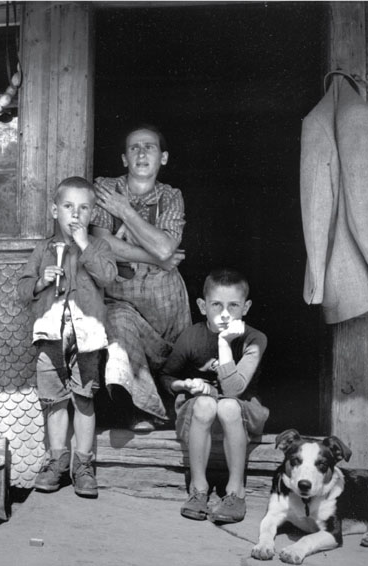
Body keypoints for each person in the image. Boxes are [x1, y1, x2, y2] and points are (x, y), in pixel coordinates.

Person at [18, 176, 117, 498]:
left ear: (92, 214)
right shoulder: (42, 249)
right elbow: (22, 289)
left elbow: (109, 277)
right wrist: (40, 282)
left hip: (87, 336)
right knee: (54, 400)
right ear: (54, 210)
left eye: (84, 208)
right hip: (50, 335)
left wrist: (85, 244)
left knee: (84, 398)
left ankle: (84, 465)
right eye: (68, 207)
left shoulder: (99, 246)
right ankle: (57, 461)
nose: (75, 214)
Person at [90, 124, 192, 431]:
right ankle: (146, 411)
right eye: (134, 147)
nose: (142, 152)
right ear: (124, 158)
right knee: (118, 321)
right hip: (123, 297)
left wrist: (124, 210)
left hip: (166, 303)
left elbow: (166, 245)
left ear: (163, 158)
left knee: (176, 369)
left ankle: (180, 415)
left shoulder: (171, 196)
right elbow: (102, 243)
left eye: (150, 147)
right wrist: (156, 257)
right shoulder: (106, 189)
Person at [160, 268, 268, 523]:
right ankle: (198, 489)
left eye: (234, 305)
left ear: (246, 307)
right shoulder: (191, 337)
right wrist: (184, 385)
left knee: (228, 405)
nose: (225, 313)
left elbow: (233, 390)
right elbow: (166, 377)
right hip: (202, 412)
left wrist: (224, 343)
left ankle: (235, 492)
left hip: (241, 413)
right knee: (207, 404)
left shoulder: (255, 339)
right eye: (216, 304)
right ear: (202, 305)